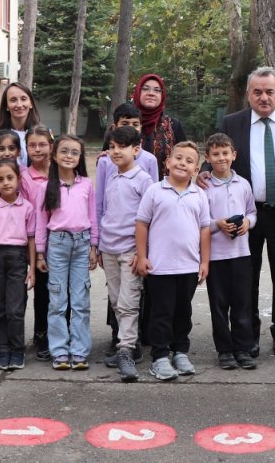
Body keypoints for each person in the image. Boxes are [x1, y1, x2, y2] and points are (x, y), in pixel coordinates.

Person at [213, 68, 275, 360]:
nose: (264, 97)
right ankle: (248, 334)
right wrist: (205, 174)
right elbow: (217, 155)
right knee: (246, 277)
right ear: (248, 94)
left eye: (269, 91)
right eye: (257, 91)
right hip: (245, 216)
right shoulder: (232, 123)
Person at [136, 142, 213, 381]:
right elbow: (142, 224)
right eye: (178, 158)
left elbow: (204, 229)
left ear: (195, 170)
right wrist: (141, 256)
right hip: (160, 267)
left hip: (189, 267)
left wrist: (205, 262)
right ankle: (159, 357)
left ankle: (180, 352)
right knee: (162, 312)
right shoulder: (155, 191)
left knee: (183, 312)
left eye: (189, 161)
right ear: (167, 163)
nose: (182, 163)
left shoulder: (199, 194)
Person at [97, 126, 156, 381]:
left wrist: (142, 252)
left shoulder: (144, 180)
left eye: (121, 146)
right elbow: (106, 211)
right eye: (111, 147)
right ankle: (129, 343)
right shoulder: (111, 176)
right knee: (115, 301)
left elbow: (151, 220)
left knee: (129, 302)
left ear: (136, 149)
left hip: (130, 250)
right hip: (108, 249)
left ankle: (126, 351)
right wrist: (99, 246)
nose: (115, 151)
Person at [36, 134, 98, 371]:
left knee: (81, 300)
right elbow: (41, 223)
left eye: (74, 152)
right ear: (54, 154)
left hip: (82, 245)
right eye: (64, 151)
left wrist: (94, 246)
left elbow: (92, 217)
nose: (69, 156)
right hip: (57, 246)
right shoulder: (46, 187)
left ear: (80, 157)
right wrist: (40, 253)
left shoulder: (86, 184)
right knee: (58, 300)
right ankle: (60, 351)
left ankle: (80, 351)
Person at [202, 133, 259, 371]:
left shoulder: (243, 184)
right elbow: (201, 220)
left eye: (225, 153)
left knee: (242, 303)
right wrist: (218, 224)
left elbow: (253, 212)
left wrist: (247, 222)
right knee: (219, 305)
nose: (221, 158)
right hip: (216, 257)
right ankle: (224, 350)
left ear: (234, 155)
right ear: (208, 157)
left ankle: (243, 348)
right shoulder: (203, 187)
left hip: (241, 255)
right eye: (215, 154)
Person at [0, 159, 37, 371]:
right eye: (0, 179)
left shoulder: (27, 208)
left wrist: (32, 269)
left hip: (18, 258)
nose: (6, 183)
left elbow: (31, 238)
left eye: (10, 178)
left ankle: (17, 349)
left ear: (19, 180)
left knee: (15, 308)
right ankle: (1, 349)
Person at [21, 125, 54, 357]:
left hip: (61, 241)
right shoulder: (23, 176)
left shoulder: (62, 170)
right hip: (32, 240)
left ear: (51, 146)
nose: (37, 149)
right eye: (32, 145)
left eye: (42, 144)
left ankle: (60, 332)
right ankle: (41, 333)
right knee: (41, 288)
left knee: (61, 290)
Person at [133, 73, 187, 178]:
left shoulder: (173, 125)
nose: (151, 93)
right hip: (131, 191)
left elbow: (186, 158)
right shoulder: (125, 122)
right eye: (145, 89)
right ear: (138, 92)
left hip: (166, 190)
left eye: (157, 90)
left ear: (162, 96)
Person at [0, 82, 40, 169]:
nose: (19, 105)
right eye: (13, 100)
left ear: (31, 103)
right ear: (7, 106)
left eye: (23, 99)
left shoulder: (40, 134)